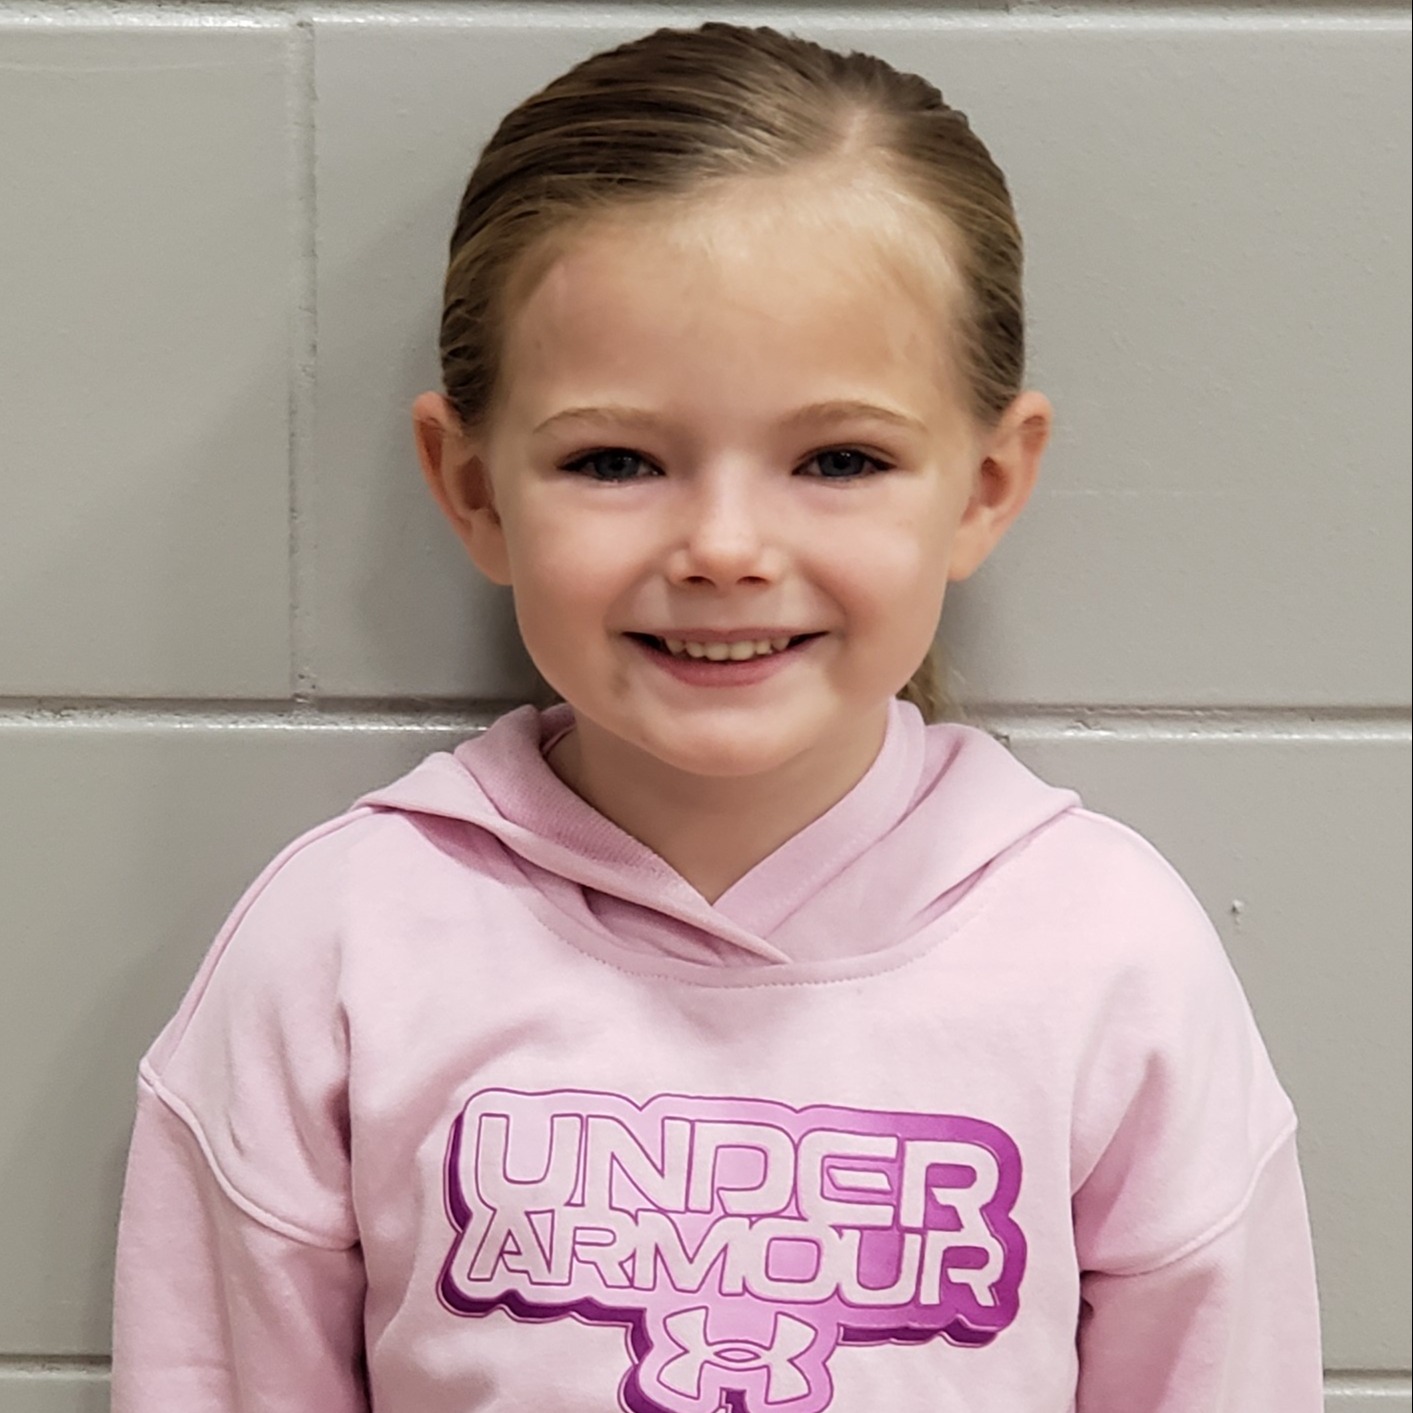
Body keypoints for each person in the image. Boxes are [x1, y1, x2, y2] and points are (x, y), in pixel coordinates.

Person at [110, 21, 1323, 1413]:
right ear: (475, 488)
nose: (726, 546)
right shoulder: (338, 943)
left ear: (985, 484)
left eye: (838, 457)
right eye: (616, 458)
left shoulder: (1109, 954)